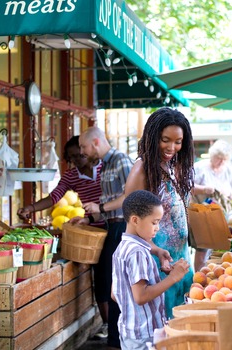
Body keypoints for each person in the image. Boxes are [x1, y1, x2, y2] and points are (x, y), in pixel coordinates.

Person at [16, 135, 108, 339]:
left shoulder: (105, 168)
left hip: (114, 226)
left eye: (80, 154)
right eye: (72, 157)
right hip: (91, 232)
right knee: (101, 278)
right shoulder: (71, 176)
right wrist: (30, 208)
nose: (77, 160)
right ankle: (108, 324)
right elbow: (54, 197)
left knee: (115, 277)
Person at [124, 107, 210, 317]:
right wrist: (156, 251)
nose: (172, 147)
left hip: (180, 259)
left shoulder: (171, 166)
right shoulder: (142, 169)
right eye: (165, 140)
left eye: (178, 142)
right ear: (153, 137)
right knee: (164, 330)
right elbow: (132, 227)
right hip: (157, 266)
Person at [74, 126, 133, 349]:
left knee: (115, 284)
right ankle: (116, 338)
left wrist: (99, 206)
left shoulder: (120, 160)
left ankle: (119, 339)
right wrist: (88, 220)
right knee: (110, 284)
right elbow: (110, 204)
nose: (82, 151)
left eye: (83, 146)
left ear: (96, 142)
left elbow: (130, 196)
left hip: (123, 229)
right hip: (111, 227)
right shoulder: (105, 165)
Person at [112, 190, 190, 349]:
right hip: (144, 334)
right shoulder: (137, 253)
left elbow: (115, 294)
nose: (158, 228)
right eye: (154, 222)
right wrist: (173, 278)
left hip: (130, 332)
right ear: (135, 220)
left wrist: (158, 253)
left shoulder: (122, 248)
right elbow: (140, 296)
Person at [193, 139, 232, 271]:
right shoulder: (200, 168)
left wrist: (230, 192)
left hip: (223, 216)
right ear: (212, 155)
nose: (221, 162)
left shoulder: (228, 171)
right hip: (203, 215)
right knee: (203, 249)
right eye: (218, 158)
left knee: (221, 249)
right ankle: (199, 276)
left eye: (224, 159)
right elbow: (188, 187)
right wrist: (204, 189)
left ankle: (216, 273)